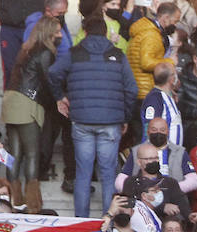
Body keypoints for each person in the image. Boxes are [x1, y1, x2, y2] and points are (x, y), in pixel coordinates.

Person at [48, 16, 138, 218]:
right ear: (106, 32)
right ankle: (109, 223)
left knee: (83, 174)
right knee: (108, 175)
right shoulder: (118, 55)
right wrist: (125, 117)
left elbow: (53, 73)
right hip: (111, 122)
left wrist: (60, 97)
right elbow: (132, 90)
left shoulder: (73, 54)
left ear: (85, 32)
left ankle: (82, 224)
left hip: (81, 121)